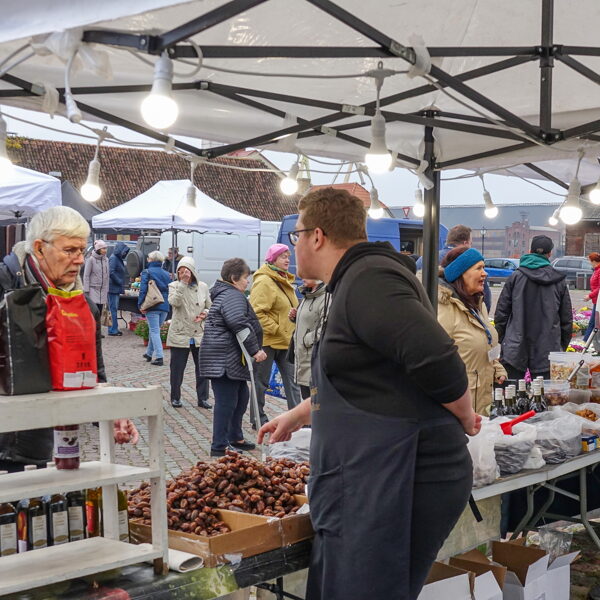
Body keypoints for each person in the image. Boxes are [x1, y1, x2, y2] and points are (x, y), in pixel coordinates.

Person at [258, 187, 481, 600]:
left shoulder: (370, 279)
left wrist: (465, 416)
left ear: (317, 236)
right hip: (369, 479)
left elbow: (438, 361)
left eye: (297, 235)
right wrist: (300, 413)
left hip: (396, 481)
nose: (295, 245)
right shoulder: (351, 281)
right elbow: (366, 376)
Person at [0, 206, 139, 473]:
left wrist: (110, 413)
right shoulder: (4, 287)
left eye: (81, 251)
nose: (79, 260)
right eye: (69, 250)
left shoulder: (83, 306)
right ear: (40, 248)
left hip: (35, 445)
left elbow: (94, 375)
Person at [199, 258, 267, 457]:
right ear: (234, 278)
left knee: (241, 396)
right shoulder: (232, 296)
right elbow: (238, 322)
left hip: (228, 358)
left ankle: (235, 436)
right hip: (224, 359)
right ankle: (219, 445)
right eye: (245, 277)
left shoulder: (227, 294)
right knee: (226, 402)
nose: (248, 281)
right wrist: (255, 350)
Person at [438, 247, 507, 415]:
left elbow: (484, 341)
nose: (485, 273)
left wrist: (495, 366)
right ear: (460, 273)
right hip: (457, 407)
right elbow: (435, 359)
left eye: (484, 267)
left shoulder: (477, 304)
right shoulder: (443, 308)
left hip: (480, 402)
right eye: (478, 268)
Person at [495, 235, 572, 380]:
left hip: (515, 345)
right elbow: (566, 319)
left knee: (512, 391)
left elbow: (501, 313)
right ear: (550, 254)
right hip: (548, 347)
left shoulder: (516, 277)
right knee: (544, 392)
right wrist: (561, 346)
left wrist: (501, 340)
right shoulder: (559, 281)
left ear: (530, 251)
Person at [250, 243, 302, 426]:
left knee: (293, 381)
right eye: (283, 257)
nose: (287, 260)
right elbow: (257, 313)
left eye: (288, 256)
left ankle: (297, 419)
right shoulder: (264, 280)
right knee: (261, 382)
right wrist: (278, 328)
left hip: (286, 341)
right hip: (268, 341)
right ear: (272, 259)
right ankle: (257, 418)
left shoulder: (283, 279)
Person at [167, 257, 212, 408]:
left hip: (198, 333)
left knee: (202, 368)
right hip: (180, 333)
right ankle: (175, 397)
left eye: (186, 271)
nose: (183, 274)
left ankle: (203, 398)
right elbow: (174, 302)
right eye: (180, 272)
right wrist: (183, 284)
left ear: (192, 271)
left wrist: (205, 313)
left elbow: (210, 306)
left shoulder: (203, 287)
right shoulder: (174, 286)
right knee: (177, 369)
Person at [416, 224, 491, 312]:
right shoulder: (470, 262)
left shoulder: (423, 259)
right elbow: (485, 299)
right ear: (465, 243)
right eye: (471, 243)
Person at [289, 279, 328, 400]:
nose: (302, 278)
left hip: (315, 362)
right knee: (308, 401)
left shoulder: (327, 297)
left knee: (315, 406)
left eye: (306, 275)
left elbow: (328, 328)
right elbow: (311, 321)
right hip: (303, 360)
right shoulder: (307, 294)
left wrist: (306, 339)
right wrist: (296, 317)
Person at [139, 250, 171, 366]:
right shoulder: (166, 273)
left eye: (148, 258)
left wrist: (140, 304)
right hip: (165, 305)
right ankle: (149, 353)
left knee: (154, 331)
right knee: (155, 330)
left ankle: (159, 356)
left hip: (152, 304)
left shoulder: (147, 272)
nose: (147, 260)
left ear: (151, 260)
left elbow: (143, 290)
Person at [107, 241, 130, 336]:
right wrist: (119, 281)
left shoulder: (117, 258)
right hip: (113, 288)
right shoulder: (114, 258)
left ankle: (114, 328)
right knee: (112, 309)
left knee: (113, 309)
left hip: (115, 287)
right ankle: (112, 329)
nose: (125, 253)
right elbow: (111, 272)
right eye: (124, 251)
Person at [83, 239, 109, 317]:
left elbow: (107, 276)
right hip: (93, 290)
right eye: (103, 248)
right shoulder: (91, 259)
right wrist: (86, 290)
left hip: (103, 290)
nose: (105, 250)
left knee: (99, 313)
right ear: (98, 249)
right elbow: (86, 275)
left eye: (106, 248)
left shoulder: (106, 260)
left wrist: (107, 289)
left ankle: (97, 325)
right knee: (93, 312)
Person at [583, 252, 600, 344]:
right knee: (594, 323)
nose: (589, 263)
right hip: (596, 300)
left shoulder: (599, 271)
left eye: (590, 261)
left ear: (594, 261)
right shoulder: (596, 270)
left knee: (593, 323)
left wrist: (590, 296)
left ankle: (584, 343)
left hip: (598, 301)